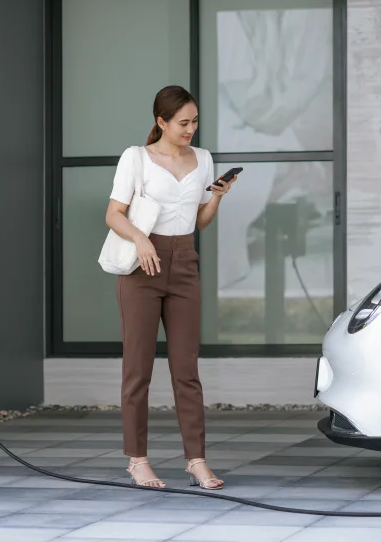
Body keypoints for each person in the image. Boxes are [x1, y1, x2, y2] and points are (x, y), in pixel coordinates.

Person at [105, 85, 237, 490]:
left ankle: (196, 460)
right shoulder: (137, 157)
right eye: (183, 122)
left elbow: (199, 221)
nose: (190, 130)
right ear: (161, 121)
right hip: (143, 266)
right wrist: (142, 240)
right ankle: (137, 460)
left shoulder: (203, 159)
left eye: (195, 121)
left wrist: (217, 199)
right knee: (138, 369)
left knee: (186, 369)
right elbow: (114, 215)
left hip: (184, 265)